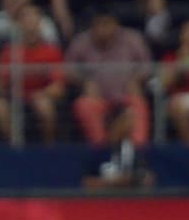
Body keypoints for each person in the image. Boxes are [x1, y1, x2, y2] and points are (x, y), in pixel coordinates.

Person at [65, 9, 152, 146]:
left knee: (138, 104)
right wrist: (84, 81)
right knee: (83, 105)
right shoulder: (81, 41)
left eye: (106, 24)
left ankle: (139, 150)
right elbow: (67, 69)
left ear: (116, 25)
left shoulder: (132, 39)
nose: (102, 29)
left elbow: (148, 66)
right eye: (98, 25)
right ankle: (101, 147)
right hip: (97, 99)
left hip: (126, 96)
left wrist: (136, 79)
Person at [0, 4, 66, 143]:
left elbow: (58, 86)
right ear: (18, 23)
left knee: (44, 105)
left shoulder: (52, 51)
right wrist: (0, 88)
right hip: (15, 98)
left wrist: (43, 94)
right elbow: (1, 82)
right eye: (25, 17)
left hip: (41, 95)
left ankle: (49, 145)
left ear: (40, 22)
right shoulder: (9, 51)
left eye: (33, 16)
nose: (29, 20)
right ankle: (14, 145)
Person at [82, 104, 155, 188]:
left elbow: (149, 178)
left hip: (132, 199)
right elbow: (87, 182)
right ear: (115, 122)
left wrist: (139, 178)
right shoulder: (99, 152)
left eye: (132, 120)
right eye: (126, 119)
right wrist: (115, 181)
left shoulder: (134, 151)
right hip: (106, 199)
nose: (131, 125)